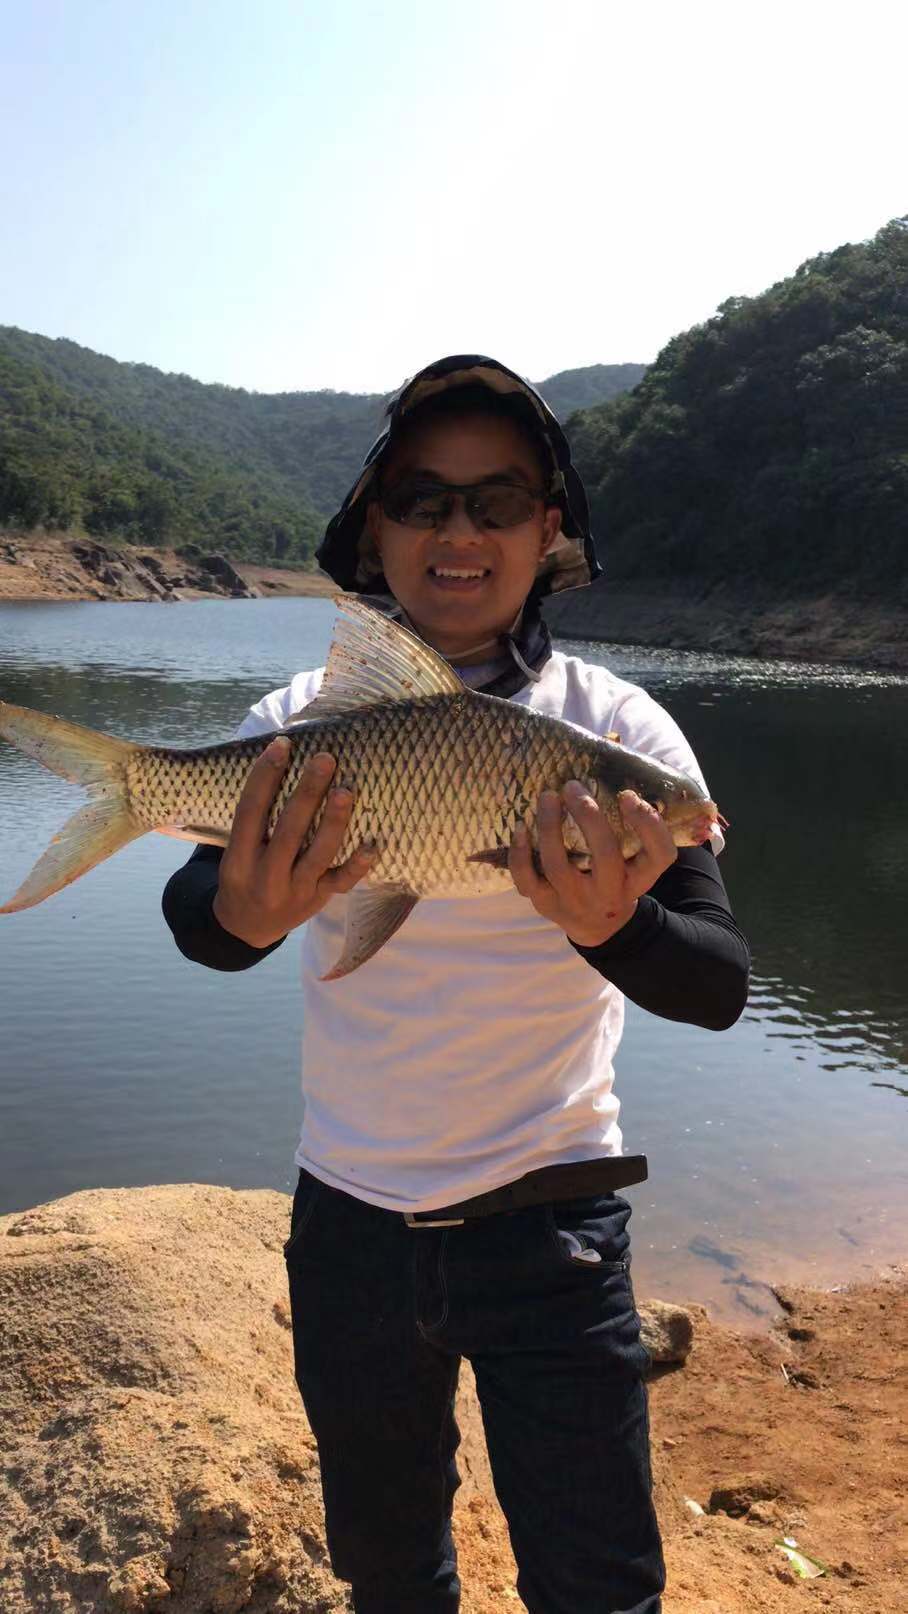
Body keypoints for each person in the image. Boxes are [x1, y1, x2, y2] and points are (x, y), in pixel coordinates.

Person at [162, 354, 750, 1614]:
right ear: (376, 527)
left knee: (597, 1581)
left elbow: (713, 985)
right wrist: (243, 909)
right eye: (423, 499)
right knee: (388, 1570)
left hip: (555, 1227)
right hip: (351, 1230)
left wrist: (614, 928)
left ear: (549, 529)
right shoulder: (304, 719)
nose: (458, 531)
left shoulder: (619, 734)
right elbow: (199, 929)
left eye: (496, 502)